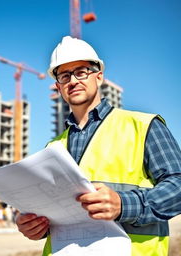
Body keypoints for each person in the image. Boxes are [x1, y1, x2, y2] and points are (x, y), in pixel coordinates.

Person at [16, 36, 181, 255]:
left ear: (99, 76)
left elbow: (178, 185)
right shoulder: (53, 147)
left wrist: (125, 204)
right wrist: (34, 225)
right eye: (64, 76)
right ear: (58, 87)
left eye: (81, 71)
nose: (73, 81)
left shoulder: (142, 125)